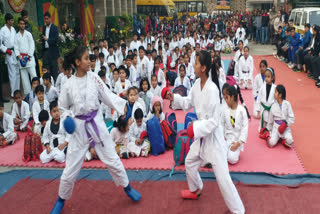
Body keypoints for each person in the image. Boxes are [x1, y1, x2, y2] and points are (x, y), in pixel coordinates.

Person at [50, 46, 141, 213]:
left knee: (112, 158)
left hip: (97, 124)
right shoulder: (68, 84)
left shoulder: (94, 78)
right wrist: (67, 119)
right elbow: (62, 107)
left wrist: (123, 106)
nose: (90, 61)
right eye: (86, 59)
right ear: (77, 62)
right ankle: (61, 199)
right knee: (70, 167)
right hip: (79, 129)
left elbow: (107, 95)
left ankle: (127, 187)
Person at [162, 50, 245, 214]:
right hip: (200, 137)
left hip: (213, 139)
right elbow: (188, 102)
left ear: (204, 67)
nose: (194, 65)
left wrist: (195, 128)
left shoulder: (213, 90)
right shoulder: (196, 85)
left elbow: (214, 121)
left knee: (223, 179)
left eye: (197, 63)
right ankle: (196, 188)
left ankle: (238, 210)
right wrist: (173, 97)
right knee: (190, 163)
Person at [221, 84, 249, 164]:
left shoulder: (242, 110)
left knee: (232, 159)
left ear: (232, 97)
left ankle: (232, 153)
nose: (225, 100)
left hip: (237, 140)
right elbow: (221, 125)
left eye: (227, 98)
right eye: (225, 98)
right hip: (226, 140)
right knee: (217, 154)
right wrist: (223, 139)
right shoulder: (225, 111)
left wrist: (239, 143)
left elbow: (245, 128)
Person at [14, 17, 37, 96]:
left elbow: (32, 46)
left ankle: (36, 92)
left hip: (29, 58)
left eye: (23, 24)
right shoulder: (16, 36)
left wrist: (28, 56)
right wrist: (20, 58)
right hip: (21, 59)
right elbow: (16, 48)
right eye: (21, 24)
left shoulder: (28, 34)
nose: (22, 25)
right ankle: (28, 95)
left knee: (34, 76)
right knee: (24, 79)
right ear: (18, 24)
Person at [0, 13, 20, 97]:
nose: (12, 21)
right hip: (9, 53)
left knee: (17, 73)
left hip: (15, 52)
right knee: (12, 74)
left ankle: (18, 91)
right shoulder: (2, 30)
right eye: (11, 20)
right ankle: (13, 93)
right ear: (8, 21)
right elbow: (0, 44)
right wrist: (6, 50)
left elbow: (16, 40)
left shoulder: (13, 29)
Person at [257, 68, 276, 139]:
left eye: (268, 77)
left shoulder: (275, 88)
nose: (266, 78)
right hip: (263, 109)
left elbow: (276, 101)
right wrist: (258, 111)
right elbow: (258, 99)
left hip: (271, 110)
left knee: (270, 125)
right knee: (261, 129)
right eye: (265, 76)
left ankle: (268, 131)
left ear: (272, 78)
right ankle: (265, 130)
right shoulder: (262, 87)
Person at [42, 12, 60, 81]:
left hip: (53, 52)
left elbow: (56, 40)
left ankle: (56, 86)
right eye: (45, 19)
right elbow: (43, 38)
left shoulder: (54, 28)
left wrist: (47, 39)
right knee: (46, 70)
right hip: (46, 52)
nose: (46, 20)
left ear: (50, 18)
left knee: (54, 71)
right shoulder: (44, 28)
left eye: (47, 19)